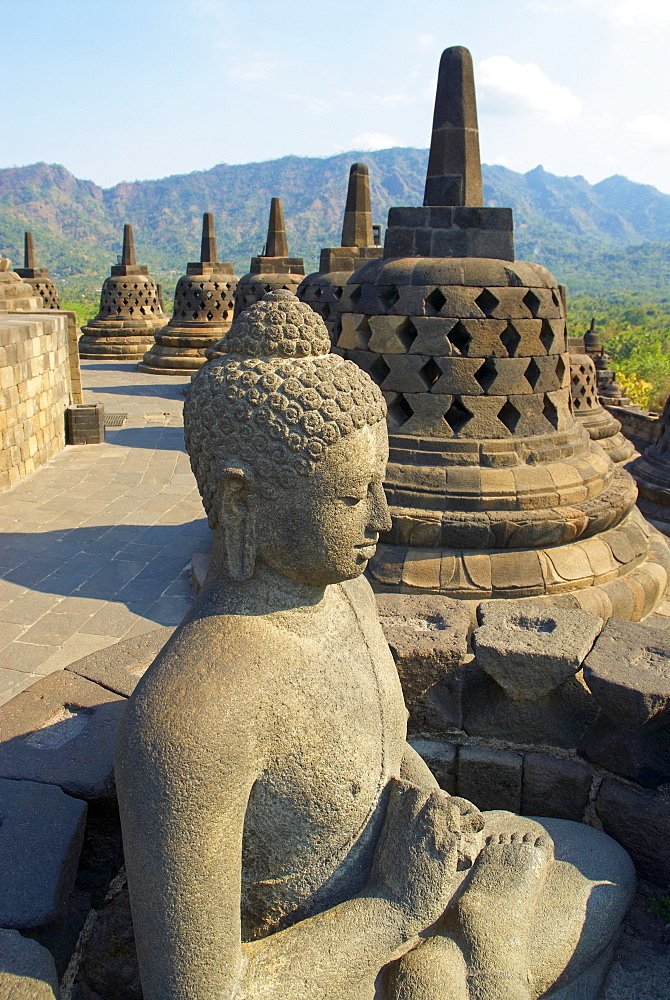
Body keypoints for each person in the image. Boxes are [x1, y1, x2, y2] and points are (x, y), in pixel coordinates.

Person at [116, 291, 635, 1000]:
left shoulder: (345, 593)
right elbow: (199, 990)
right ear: (243, 501)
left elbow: (378, 750)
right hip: (332, 950)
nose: (382, 519)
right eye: (352, 496)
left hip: (403, 866)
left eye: (379, 486)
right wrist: (394, 906)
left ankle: (468, 956)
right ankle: (477, 963)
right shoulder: (190, 720)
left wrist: (432, 806)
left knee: (601, 863)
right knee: (500, 940)